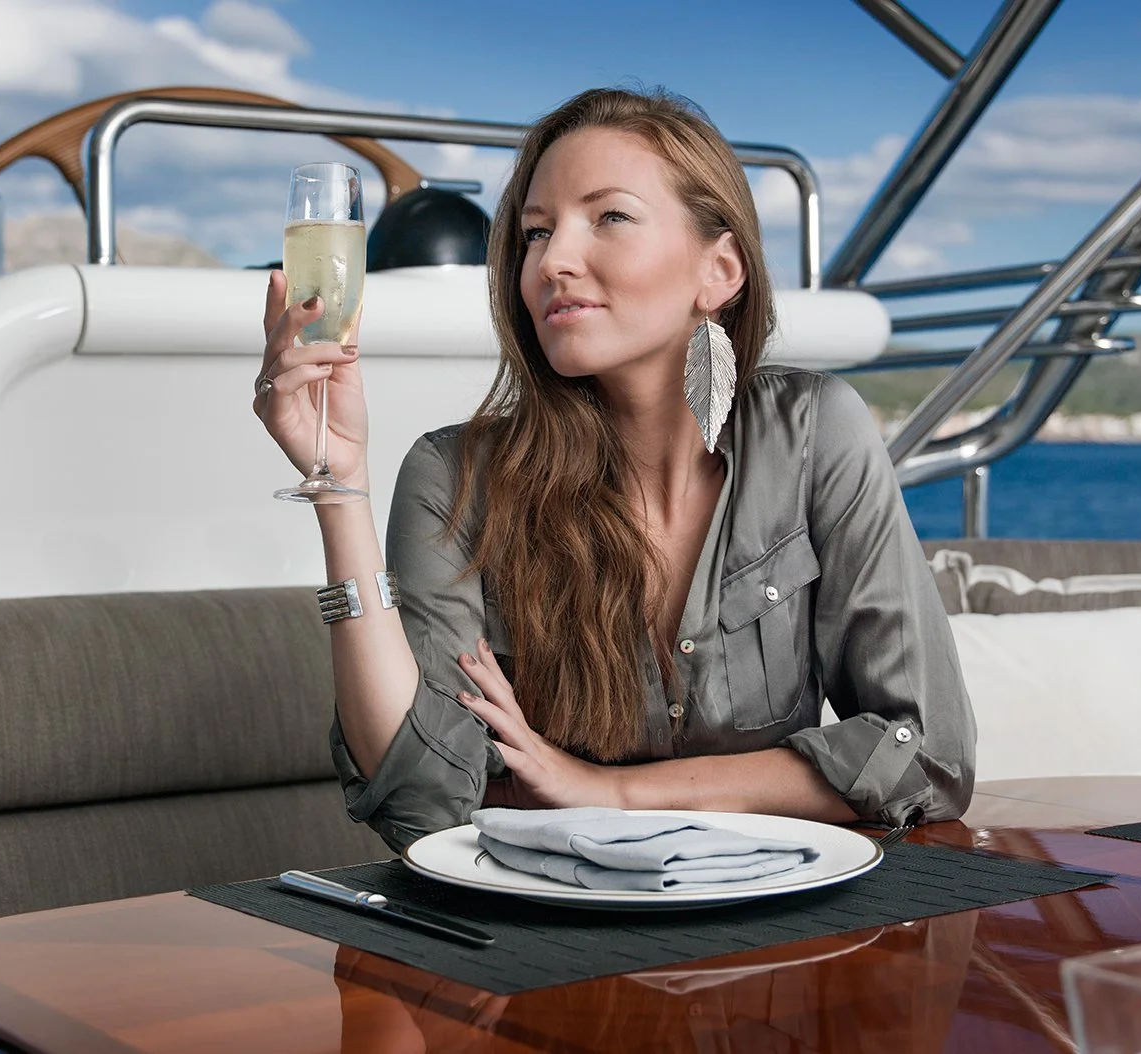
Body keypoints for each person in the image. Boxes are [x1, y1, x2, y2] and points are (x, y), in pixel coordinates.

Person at [255, 87, 974, 852]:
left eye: (610, 217)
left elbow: (925, 756)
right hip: (541, 936)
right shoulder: (455, 475)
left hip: (772, 931)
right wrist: (340, 490)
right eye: (536, 233)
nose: (553, 261)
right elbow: (422, 803)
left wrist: (607, 792)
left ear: (720, 271)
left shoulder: (811, 434)